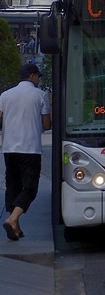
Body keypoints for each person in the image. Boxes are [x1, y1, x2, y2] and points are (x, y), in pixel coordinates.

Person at [1, 63, 52, 241]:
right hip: (30, 149)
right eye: (38, 76)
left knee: (13, 185)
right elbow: (46, 125)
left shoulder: (5, 95)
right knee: (30, 188)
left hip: (9, 148)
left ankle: (16, 226)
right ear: (32, 76)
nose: (39, 79)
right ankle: (13, 219)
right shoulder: (41, 95)